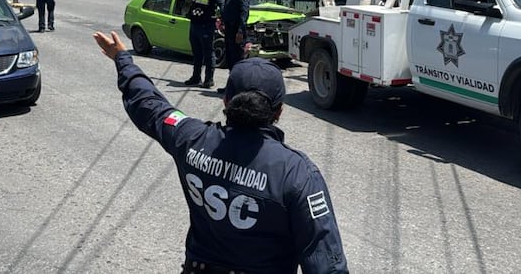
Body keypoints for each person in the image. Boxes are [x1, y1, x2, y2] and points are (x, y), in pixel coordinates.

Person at [92, 30, 349, 273]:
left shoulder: (192, 139)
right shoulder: (297, 173)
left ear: (226, 101)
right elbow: (327, 262)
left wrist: (123, 59)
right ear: (279, 111)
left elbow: (149, 105)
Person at [207, 0, 251, 89]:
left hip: (237, 30)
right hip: (229, 29)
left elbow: (244, 13)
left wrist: (240, 31)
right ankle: (231, 87)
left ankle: (239, 87)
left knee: (237, 60)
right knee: (231, 59)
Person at [185, 0, 222, 88]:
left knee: (208, 53)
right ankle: (196, 77)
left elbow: (221, 3)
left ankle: (209, 80)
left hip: (206, 26)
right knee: (196, 53)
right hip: (195, 24)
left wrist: (221, 18)